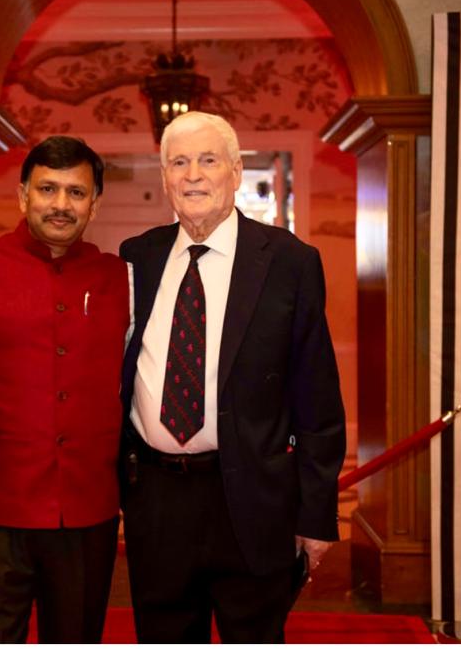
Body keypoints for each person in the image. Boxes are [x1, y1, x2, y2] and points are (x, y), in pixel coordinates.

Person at [119, 111, 346, 643]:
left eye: (208, 160)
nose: (193, 175)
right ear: (165, 177)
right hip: (157, 501)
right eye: (179, 162)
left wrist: (316, 517)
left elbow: (317, 399)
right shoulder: (137, 257)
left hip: (252, 500)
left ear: (237, 171)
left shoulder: (289, 262)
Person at [0, 136, 130, 643]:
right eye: (48, 189)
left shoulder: (121, 278)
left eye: (76, 192)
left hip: (87, 512)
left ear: (95, 203)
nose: (61, 204)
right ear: (23, 195)